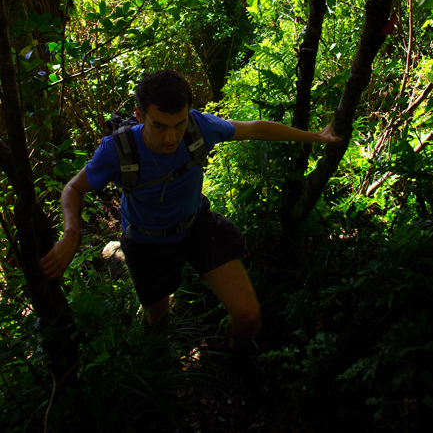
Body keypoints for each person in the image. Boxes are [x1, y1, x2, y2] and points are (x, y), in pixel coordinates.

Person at [41, 69, 341, 392]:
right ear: (140, 116)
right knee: (157, 318)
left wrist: (316, 136)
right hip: (146, 243)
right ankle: (157, 370)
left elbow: (254, 128)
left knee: (249, 314)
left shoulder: (199, 127)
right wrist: (71, 233)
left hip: (196, 226)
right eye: (159, 126)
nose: (171, 138)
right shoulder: (117, 150)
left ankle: (239, 362)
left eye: (179, 124)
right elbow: (74, 188)